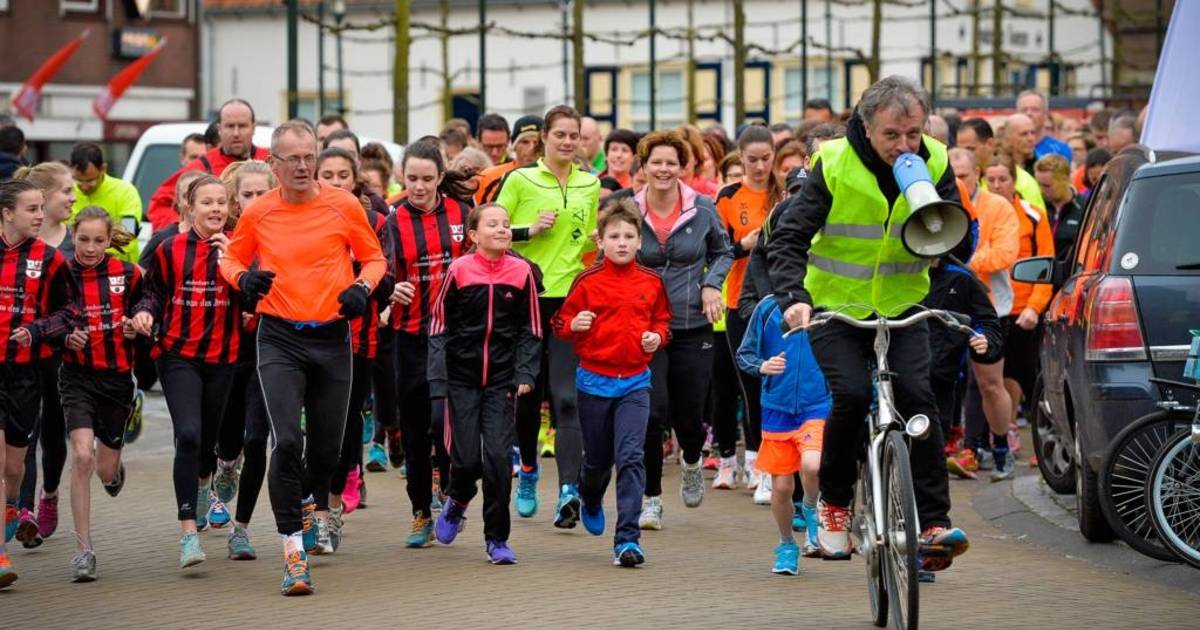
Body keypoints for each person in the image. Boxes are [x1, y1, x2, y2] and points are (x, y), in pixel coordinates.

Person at [766, 76, 970, 570]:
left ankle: (934, 522)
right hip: (838, 308)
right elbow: (790, 238)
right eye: (892, 136)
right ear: (865, 124)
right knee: (853, 395)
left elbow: (961, 243)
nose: (905, 146)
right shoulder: (833, 162)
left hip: (902, 307)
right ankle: (834, 504)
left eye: (913, 134)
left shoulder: (936, 160)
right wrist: (794, 298)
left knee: (919, 398)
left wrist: (940, 222)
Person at [219, 119, 386, 596]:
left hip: (333, 338)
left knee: (328, 453)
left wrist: (361, 287)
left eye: (308, 156)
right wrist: (243, 282)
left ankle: (310, 503)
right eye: (290, 158)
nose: (301, 165)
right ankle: (293, 551)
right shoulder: (261, 212)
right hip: (279, 339)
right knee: (287, 440)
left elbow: (374, 260)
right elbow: (230, 259)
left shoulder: (343, 204)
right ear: (273, 164)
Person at [495, 105, 600, 527]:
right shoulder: (519, 179)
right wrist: (527, 231)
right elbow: (491, 229)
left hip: (570, 302)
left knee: (567, 398)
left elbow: (590, 247)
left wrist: (599, 245)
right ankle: (529, 472)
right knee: (525, 398)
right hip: (525, 300)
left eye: (574, 135)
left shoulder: (590, 184)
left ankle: (568, 491)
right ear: (546, 138)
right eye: (560, 134)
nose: (568, 141)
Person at [553, 198, 671, 567]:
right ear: (600, 242)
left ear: (640, 242)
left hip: (636, 383)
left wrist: (657, 337)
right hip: (594, 381)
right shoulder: (587, 281)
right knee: (599, 460)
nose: (622, 242)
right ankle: (589, 496)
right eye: (614, 236)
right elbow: (559, 324)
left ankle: (627, 541)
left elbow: (663, 322)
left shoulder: (652, 282)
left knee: (631, 458)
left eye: (629, 236)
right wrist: (574, 325)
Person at [132, 174, 242, 569]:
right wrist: (144, 311)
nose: (215, 209)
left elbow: (254, 293)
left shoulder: (240, 249)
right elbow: (152, 291)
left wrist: (234, 260)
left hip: (223, 357)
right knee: (189, 435)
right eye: (207, 202)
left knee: (208, 441)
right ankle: (188, 534)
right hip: (178, 355)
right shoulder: (169, 248)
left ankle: (202, 484)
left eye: (221, 203)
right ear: (189, 208)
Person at [429, 203, 542, 564]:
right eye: (492, 225)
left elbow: (531, 329)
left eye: (507, 225)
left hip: (501, 381)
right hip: (460, 379)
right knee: (464, 462)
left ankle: (497, 539)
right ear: (474, 235)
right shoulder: (459, 271)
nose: (502, 229)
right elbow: (439, 324)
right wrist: (439, 374)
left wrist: (525, 373)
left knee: (496, 459)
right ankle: (458, 499)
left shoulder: (522, 272)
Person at [631, 130, 732, 530]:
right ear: (644, 166)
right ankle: (651, 498)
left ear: (683, 167)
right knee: (651, 415)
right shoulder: (628, 208)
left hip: (691, 324)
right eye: (656, 161)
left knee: (688, 415)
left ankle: (692, 460)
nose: (663, 169)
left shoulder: (702, 207)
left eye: (671, 162)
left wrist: (712, 284)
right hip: (644, 327)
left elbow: (724, 251)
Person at [381, 139, 473, 546]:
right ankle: (420, 512)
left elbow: (480, 260)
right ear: (402, 177)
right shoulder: (392, 220)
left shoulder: (461, 213)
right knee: (416, 429)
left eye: (427, 179)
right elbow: (379, 271)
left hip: (454, 336)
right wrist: (391, 289)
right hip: (411, 335)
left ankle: (450, 488)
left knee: (445, 424)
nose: (418, 186)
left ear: (440, 176)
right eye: (411, 178)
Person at [311, 147, 391, 554]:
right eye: (329, 173)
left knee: (344, 428)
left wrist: (372, 287)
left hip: (358, 339)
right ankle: (315, 507)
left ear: (355, 178)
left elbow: (385, 272)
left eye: (344, 174)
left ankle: (334, 505)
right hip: (305, 337)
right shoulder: (302, 219)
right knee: (313, 429)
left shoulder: (375, 220)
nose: (336, 181)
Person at [0, 179, 79, 590]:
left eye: (39, 208)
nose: (37, 215)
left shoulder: (49, 260)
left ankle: (13, 505)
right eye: (30, 208)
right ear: (7, 213)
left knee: (13, 467)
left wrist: (36, 328)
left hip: (25, 373)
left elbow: (69, 312)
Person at [58, 206, 143, 582]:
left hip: (117, 380)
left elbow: (148, 303)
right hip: (76, 378)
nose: (90, 248)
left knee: (105, 469)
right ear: (72, 236)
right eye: (83, 239)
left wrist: (137, 322)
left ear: (110, 241)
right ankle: (83, 549)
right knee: (80, 457)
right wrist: (63, 336)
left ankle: (115, 470)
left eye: (98, 241)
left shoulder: (127, 273)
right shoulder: (59, 273)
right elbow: (43, 316)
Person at [736, 293, 830, 571]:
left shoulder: (826, 302)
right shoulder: (767, 307)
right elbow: (745, 353)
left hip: (817, 404)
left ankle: (811, 508)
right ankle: (787, 544)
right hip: (777, 409)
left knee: (812, 467)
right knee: (781, 487)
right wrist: (762, 366)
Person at [213, 160, 276, 560]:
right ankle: (224, 465)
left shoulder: (284, 234)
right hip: (225, 353)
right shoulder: (226, 240)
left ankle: (242, 528)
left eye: (261, 194)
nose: (255, 201)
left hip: (269, 351)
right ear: (235, 201)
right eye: (247, 195)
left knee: (258, 440)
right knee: (228, 437)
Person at [944, 148, 1018, 478]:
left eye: (962, 175)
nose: (957, 181)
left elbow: (1004, 254)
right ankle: (960, 447)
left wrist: (958, 265)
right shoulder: (935, 197)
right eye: (951, 175)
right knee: (938, 378)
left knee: (989, 383)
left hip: (988, 303)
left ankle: (1001, 445)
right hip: (943, 299)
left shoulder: (998, 206)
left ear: (977, 174)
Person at [715, 125, 778, 503]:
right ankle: (748, 458)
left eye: (765, 159)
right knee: (747, 383)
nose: (758, 167)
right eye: (751, 160)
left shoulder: (784, 192)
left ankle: (766, 461)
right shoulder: (728, 197)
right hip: (740, 301)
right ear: (740, 159)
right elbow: (719, 250)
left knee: (774, 384)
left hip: (780, 301)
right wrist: (744, 244)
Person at [982, 152, 1054, 480]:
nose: (997, 185)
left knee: (1033, 381)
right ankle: (1006, 434)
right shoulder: (979, 213)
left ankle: (1048, 442)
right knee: (1001, 379)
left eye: (1003, 179)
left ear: (1015, 181)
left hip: (1025, 310)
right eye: (991, 179)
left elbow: (1046, 264)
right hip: (993, 309)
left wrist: (1035, 308)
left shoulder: (1033, 215)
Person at [147, 99, 269, 230]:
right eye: (230, 126)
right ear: (219, 129)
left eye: (242, 126)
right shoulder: (202, 166)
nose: (236, 133)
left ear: (253, 127)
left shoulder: (271, 162)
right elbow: (159, 205)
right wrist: (185, 228)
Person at [69, 143, 143, 262]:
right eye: (78, 180)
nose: (84, 186)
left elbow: (129, 233)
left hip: (122, 269)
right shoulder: (67, 193)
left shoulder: (126, 192)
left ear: (103, 169)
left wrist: (95, 252)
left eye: (90, 181)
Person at [958, 117, 1045, 211]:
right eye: (960, 150)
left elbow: (1038, 221)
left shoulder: (1024, 182)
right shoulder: (959, 180)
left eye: (970, 149)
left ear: (990, 144)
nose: (965, 156)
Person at [475, 115, 543, 205]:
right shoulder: (488, 177)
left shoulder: (559, 176)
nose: (531, 148)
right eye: (524, 142)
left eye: (536, 143)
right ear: (513, 145)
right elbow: (475, 215)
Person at [1034, 154, 1085, 261]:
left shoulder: (1084, 208)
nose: (1041, 190)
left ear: (1065, 179)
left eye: (1047, 185)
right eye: (1039, 184)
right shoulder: (1035, 206)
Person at [1016, 89, 1073, 162]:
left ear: (1045, 115)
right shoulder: (1007, 148)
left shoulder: (1060, 150)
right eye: (1024, 110)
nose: (1029, 113)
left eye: (1035, 109)